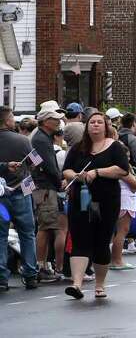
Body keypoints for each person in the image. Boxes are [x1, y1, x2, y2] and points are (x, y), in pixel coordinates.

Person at [61, 111, 131, 300]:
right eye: (92, 122)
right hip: (80, 200)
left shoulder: (115, 147)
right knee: (80, 240)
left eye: (100, 122)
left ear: (106, 126)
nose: (96, 125)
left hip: (107, 201)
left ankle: (99, 284)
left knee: (101, 242)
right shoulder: (77, 148)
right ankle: (77, 284)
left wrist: (97, 172)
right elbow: (66, 169)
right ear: (87, 126)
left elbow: (123, 170)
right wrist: (75, 175)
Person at [0, 105, 40, 292]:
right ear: (7, 120)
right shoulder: (23, 141)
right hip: (21, 192)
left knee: (0, 235)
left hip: (1, 196)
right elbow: (37, 163)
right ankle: (30, 274)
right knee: (27, 233)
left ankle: (1, 277)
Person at [29, 105, 66, 282]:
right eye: (55, 119)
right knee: (46, 227)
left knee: (45, 226)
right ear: (45, 121)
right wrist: (60, 183)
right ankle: (40, 266)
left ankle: (40, 264)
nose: (58, 122)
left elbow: (36, 163)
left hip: (39, 186)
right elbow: (49, 165)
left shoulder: (39, 137)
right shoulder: (42, 140)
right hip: (44, 188)